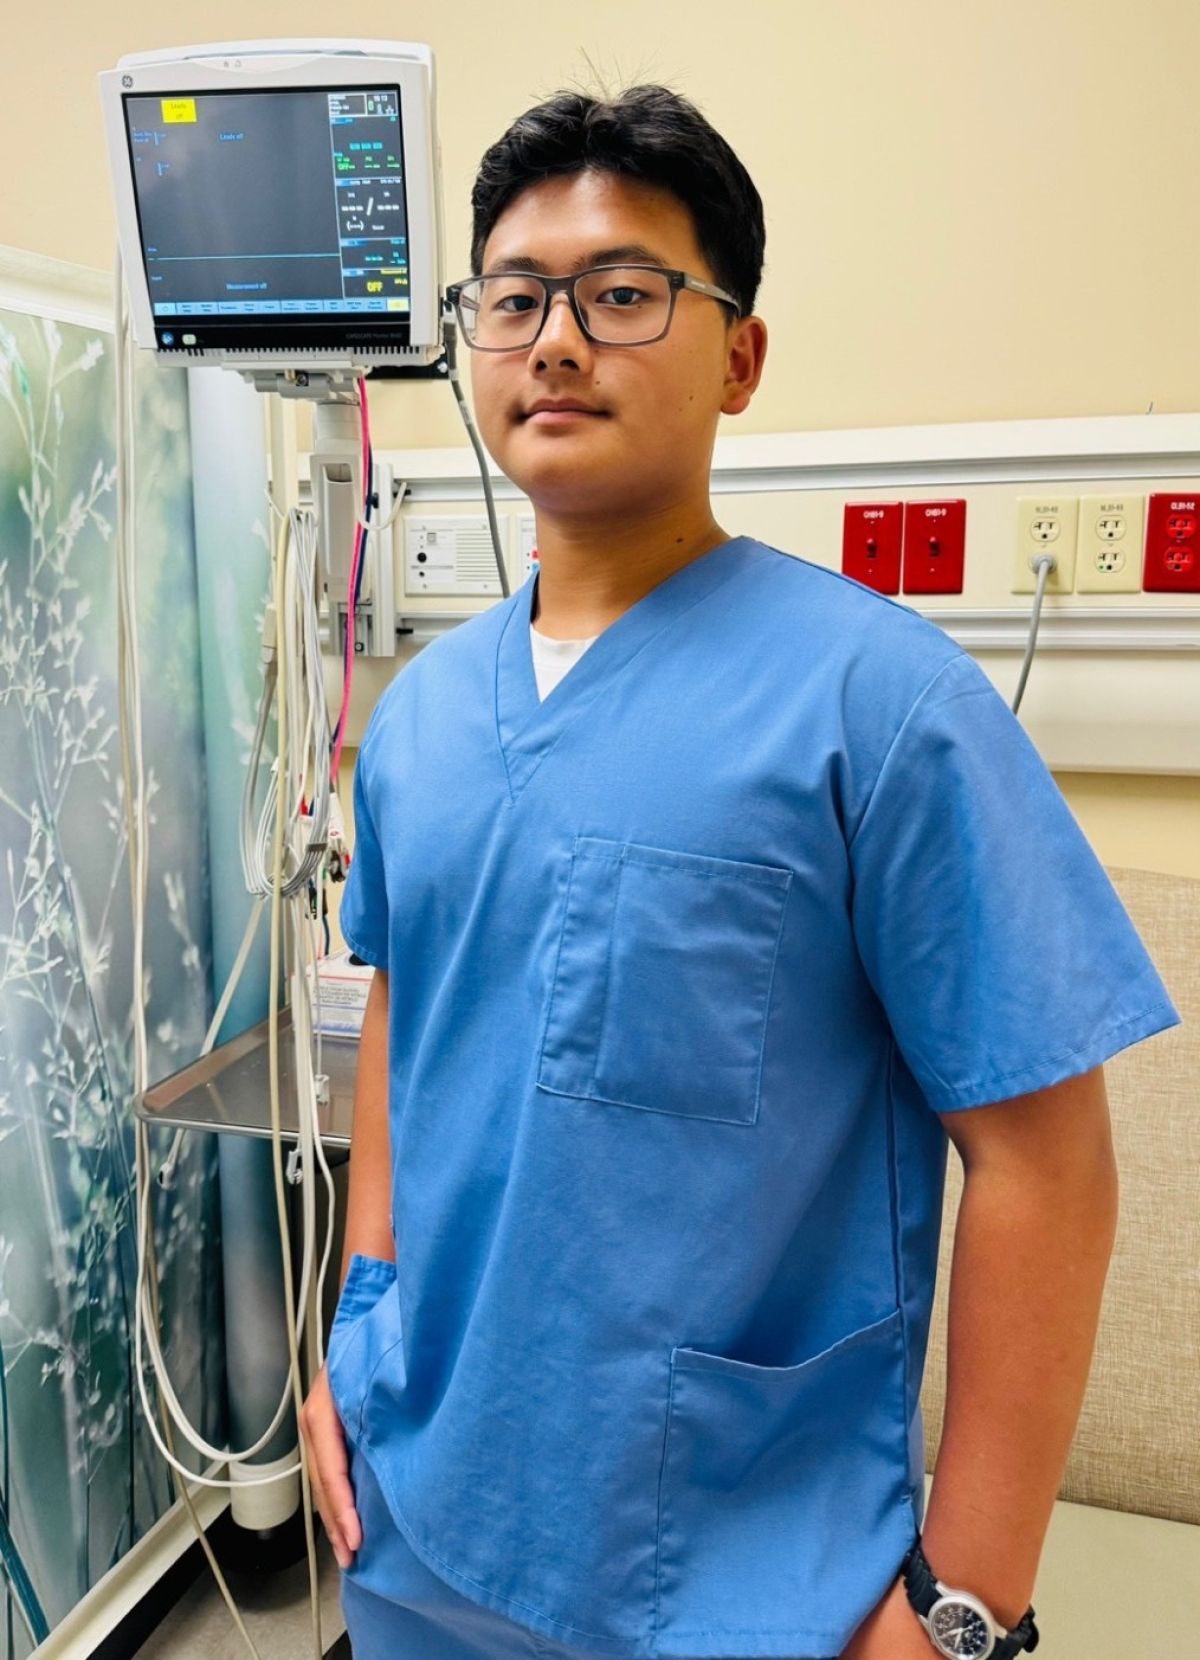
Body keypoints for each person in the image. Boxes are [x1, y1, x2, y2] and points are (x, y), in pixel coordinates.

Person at [299, 81, 1181, 1660]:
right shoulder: (421, 716)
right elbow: (399, 1017)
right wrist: (355, 1323)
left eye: (623, 293)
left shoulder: (881, 711)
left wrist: (966, 1603)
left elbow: (1049, 1168)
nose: (555, 341)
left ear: (741, 358)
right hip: (416, 1518)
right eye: (513, 299)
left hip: (734, 1569)